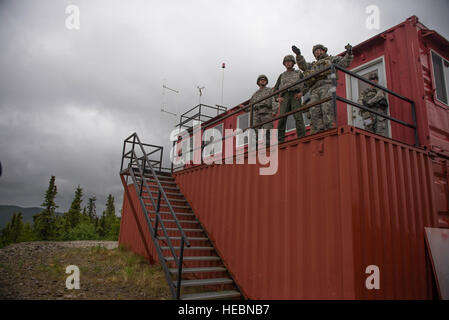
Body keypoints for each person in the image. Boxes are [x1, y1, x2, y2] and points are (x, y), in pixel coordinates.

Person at [292, 43, 354, 134]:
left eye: (318, 50)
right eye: (314, 52)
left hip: (327, 86)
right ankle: (318, 133)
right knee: (315, 112)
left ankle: (329, 132)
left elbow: (345, 62)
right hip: (314, 90)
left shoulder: (331, 59)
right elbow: (303, 66)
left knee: (326, 109)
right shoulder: (313, 65)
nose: (316, 52)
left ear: (323, 50)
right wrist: (298, 55)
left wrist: (349, 53)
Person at [272, 55, 307, 144]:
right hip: (285, 97)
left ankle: (302, 136)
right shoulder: (282, 76)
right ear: (284, 64)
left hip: (295, 95)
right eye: (286, 62)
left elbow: (306, 83)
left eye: (290, 61)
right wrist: (277, 98)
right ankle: (280, 140)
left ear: (293, 63)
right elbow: (275, 89)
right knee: (281, 119)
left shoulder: (298, 73)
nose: (288, 63)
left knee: (298, 117)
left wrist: (302, 93)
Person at [246, 75, 277, 147]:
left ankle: (267, 145)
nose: (262, 81)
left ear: (266, 82)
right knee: (254, 130)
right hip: (257, 113)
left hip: (267, 112)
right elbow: (250, 106)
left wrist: (274, 111)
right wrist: (244, 108)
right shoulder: (255, 94)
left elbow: (274, 100)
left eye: (264, 80)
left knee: (267, 129)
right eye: (261, 80)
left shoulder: (270, 90)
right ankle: (254, 146)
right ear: (258, 82)